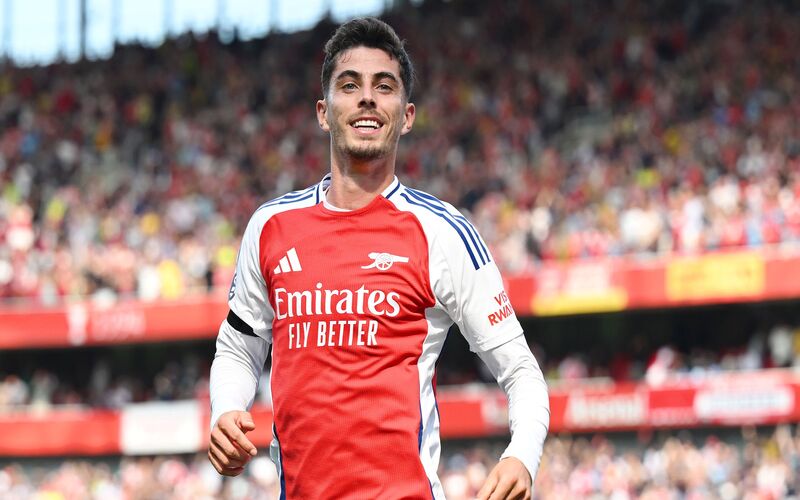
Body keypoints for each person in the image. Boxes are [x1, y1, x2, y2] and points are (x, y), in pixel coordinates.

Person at [208, 17, 550, 500]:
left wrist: (522, 456)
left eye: (383, 86)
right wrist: (225, 408)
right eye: (350, 86)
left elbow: (521, 372)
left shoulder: (442, 231)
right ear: (324, 112)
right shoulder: (270, 226)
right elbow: (238, 349)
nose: (367, 98)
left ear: (406, 116)